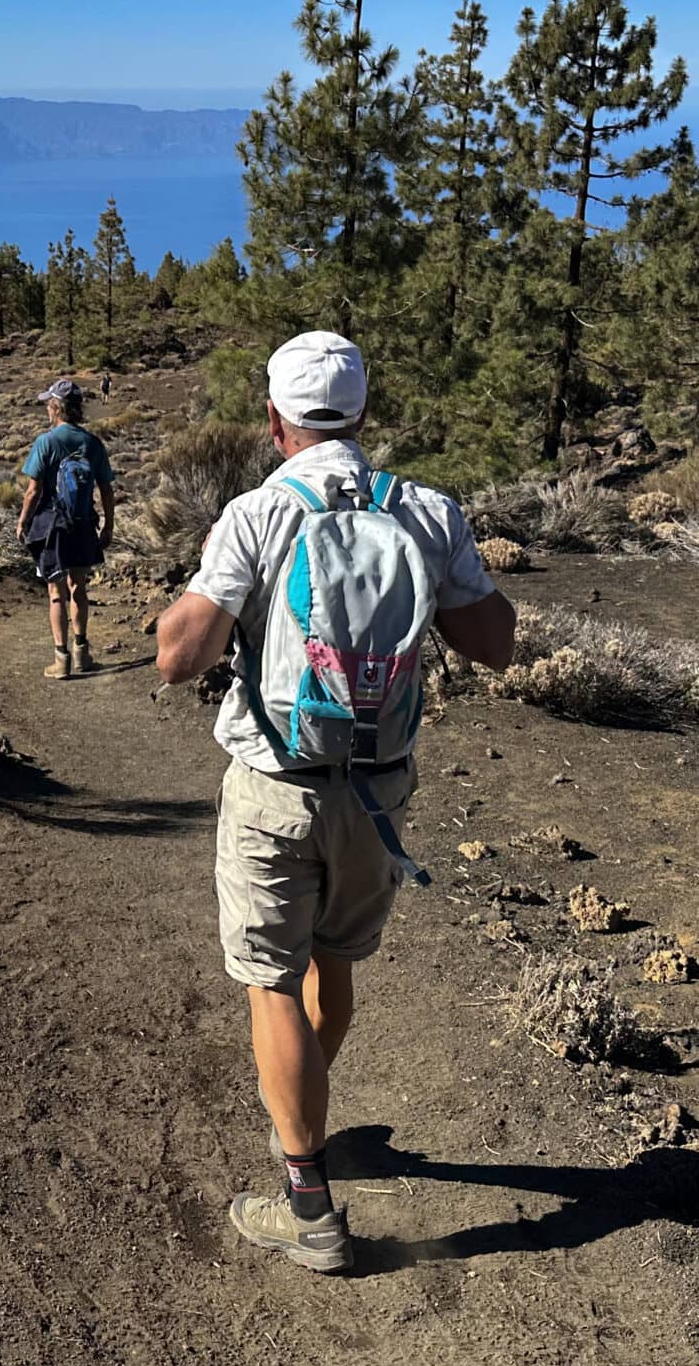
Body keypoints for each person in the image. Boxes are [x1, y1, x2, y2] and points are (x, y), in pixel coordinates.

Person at [155, 331, 517, 1273]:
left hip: (277, 784)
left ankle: (310, 1206)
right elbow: (496, 642)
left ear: (275, 420)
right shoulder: (427, 510)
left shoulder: (258, 514)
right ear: (363, 414)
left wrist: (192, 609)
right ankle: (302, 1118)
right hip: (379, 792)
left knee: (271, 981)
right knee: (332, 964)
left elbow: (178, 657)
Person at [17, 376, 117, 680]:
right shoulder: (93, 443)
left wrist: (23, 522)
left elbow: (33, 491)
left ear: (56, 408)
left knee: (55, 592)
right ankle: (82, 652)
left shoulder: (46, 442)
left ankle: (61, 660)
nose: (47, 408)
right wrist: (109, 525)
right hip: (83, 524)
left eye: (49, 404)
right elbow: (107, 489)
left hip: (52, 527)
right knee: (79, 588)